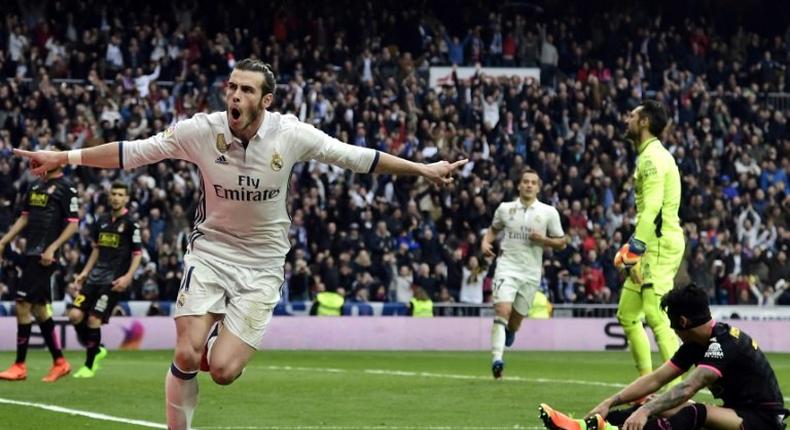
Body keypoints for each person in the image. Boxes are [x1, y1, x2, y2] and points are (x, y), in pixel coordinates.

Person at [14, 58, 467, 430]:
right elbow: (132, 152)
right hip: (211, 251)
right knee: (187, 352)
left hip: (264, 264)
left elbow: (356, 158)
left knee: (223, 371)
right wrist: (64, 157)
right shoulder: (200, 130)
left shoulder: (290, 135)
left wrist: (422, 169)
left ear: (266, 100)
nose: (235, 96)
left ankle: (220, 337)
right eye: (232, 87)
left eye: (247, 90)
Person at [539, 284, 788, 430]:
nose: (671, 329)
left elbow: (688, 388)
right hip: (737, 410)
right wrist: (610, 402)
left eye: (672, 323)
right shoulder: (696, 341)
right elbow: (657, 379)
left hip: (763, 420)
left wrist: (646, 411)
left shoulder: (725, 343)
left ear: (683, 321)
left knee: (692, 412)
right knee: (653, 401)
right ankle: (584, 426)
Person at [614, 100, 683, 379]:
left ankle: (677, 395)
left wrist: (637, 247)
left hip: (658, 245)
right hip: (650, 241)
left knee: (656, 316)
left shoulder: (653, 159)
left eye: (632, 116)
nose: (626, 120)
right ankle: (645, 386)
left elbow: (653, 206)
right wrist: (635, 243)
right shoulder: (649, 155)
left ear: (644, 123)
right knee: (628, 315)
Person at [0, 147, 78, 382]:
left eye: (50, 155)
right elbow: (24, 217)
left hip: (46, 255)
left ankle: (20, 365)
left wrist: (53, 247)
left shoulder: (66, 188)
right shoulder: (34, 186)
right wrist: (4, 241)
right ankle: (60, 362)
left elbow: (73, 224)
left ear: (60, 162)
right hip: (30, 253)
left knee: (22, 304)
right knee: (39, 310)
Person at [481, 169, 566, 379]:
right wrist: (485, 242)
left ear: (538, 187)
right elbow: (493, 229)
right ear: (519, 185)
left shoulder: (548, 212)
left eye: (533, 183)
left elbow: (562, 242)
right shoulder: (505, 209)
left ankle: (510, 331)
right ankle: (497, 360)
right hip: (507, 267)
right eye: (525, 182)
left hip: (531, 273)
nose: (529, 185)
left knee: (516, 320)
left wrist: (544, 240)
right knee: (502, 309)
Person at [68, 181, 142, 378]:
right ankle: (97, 348)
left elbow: (137, 254)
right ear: (109, 196)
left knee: (93, 319)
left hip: (113, 282)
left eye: (120, 194)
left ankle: (89, 365)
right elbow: (96, 249)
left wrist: (127, 277)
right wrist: (84, 272)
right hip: (94, 278)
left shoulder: (131, 224)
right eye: (114, 194)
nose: (116, 197)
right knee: (75, 315)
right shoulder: (100, 220)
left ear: (126, 198)